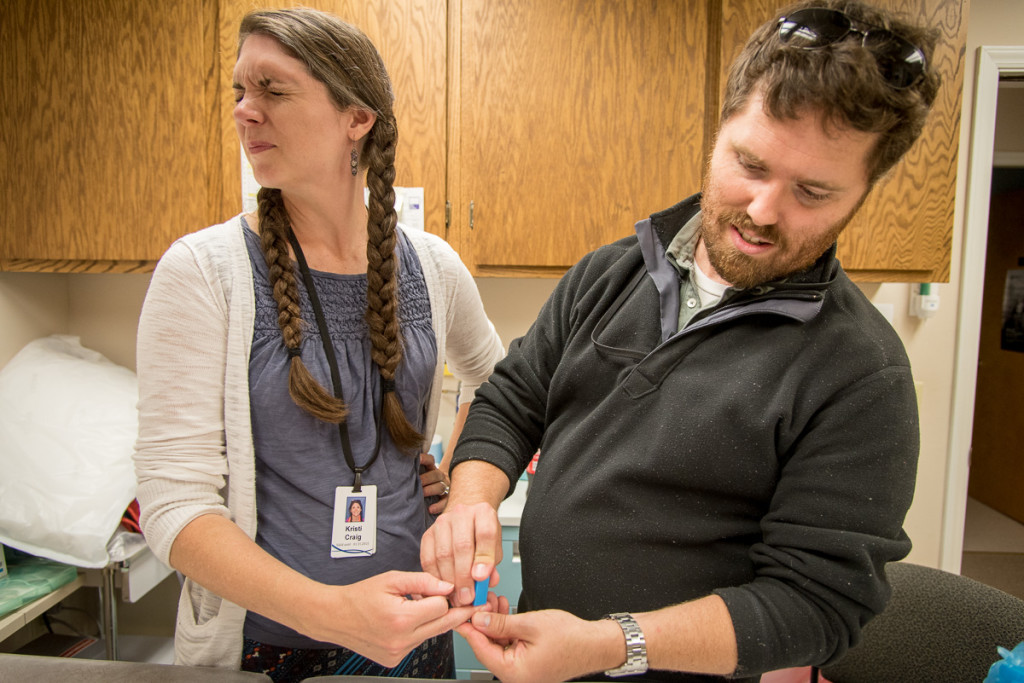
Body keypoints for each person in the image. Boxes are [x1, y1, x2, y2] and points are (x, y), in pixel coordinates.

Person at [420, 1, 940, 681]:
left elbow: (816, 604)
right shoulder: (610, 273)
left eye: (812, 192)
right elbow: (513, 399)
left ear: (863, 193)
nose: (763, 211)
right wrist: (470, 501)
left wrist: (612, 644)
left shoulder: (861, 372)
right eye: (750, 165)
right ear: (718, 130)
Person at [132, 7, 504, 681]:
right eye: (240, 92)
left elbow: (499, 383)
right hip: (261, 651)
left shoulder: (431, 266)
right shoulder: (203, 273)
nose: (246, 111)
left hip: (414, 636)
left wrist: (459, 478)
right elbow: (174, 506)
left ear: (356, 118)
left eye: (272, 90)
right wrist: (333, 611)